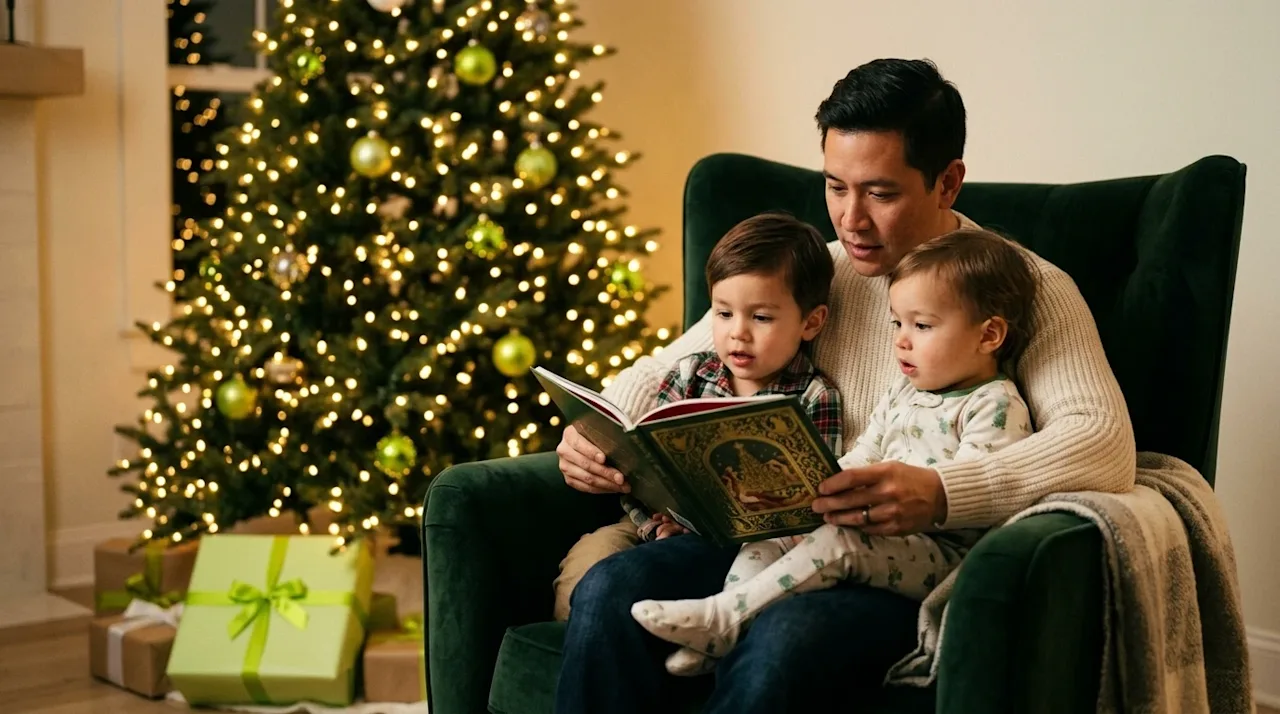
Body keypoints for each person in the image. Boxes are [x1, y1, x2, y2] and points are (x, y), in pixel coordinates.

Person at [555, 58, 1135, 714]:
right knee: (610, 591)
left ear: (947, 182)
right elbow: (660, 371)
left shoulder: (1024, 286)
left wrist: (943, 493)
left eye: (880, 193)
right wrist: (594, 432)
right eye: (835, 187)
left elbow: (1103, 442)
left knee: (784, 640)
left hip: (899, 564)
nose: (850, 220)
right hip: (779, 538)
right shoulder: (815, 270)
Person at [632, 228, 1037, 676]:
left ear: (989, 335)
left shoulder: (995, 405)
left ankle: (725, 621)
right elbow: (863, 453)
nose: (901, 340)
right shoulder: (905, 390)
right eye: (897, 323)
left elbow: (977, 499)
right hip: (877, 534)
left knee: (841, 541)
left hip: (940, 557)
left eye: (921, 326)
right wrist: (814, 496)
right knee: (773, 533)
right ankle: (724, 627)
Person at [552, 211, 842, 623]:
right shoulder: (690, 373)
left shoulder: (815, 397)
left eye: (760, 317)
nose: (737, 333)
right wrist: (657, 524)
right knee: (587, 565)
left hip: (751, 549)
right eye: (723, 314)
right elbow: (648, 470)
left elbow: (810, 505)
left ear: (811, 322)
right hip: (655, 525)